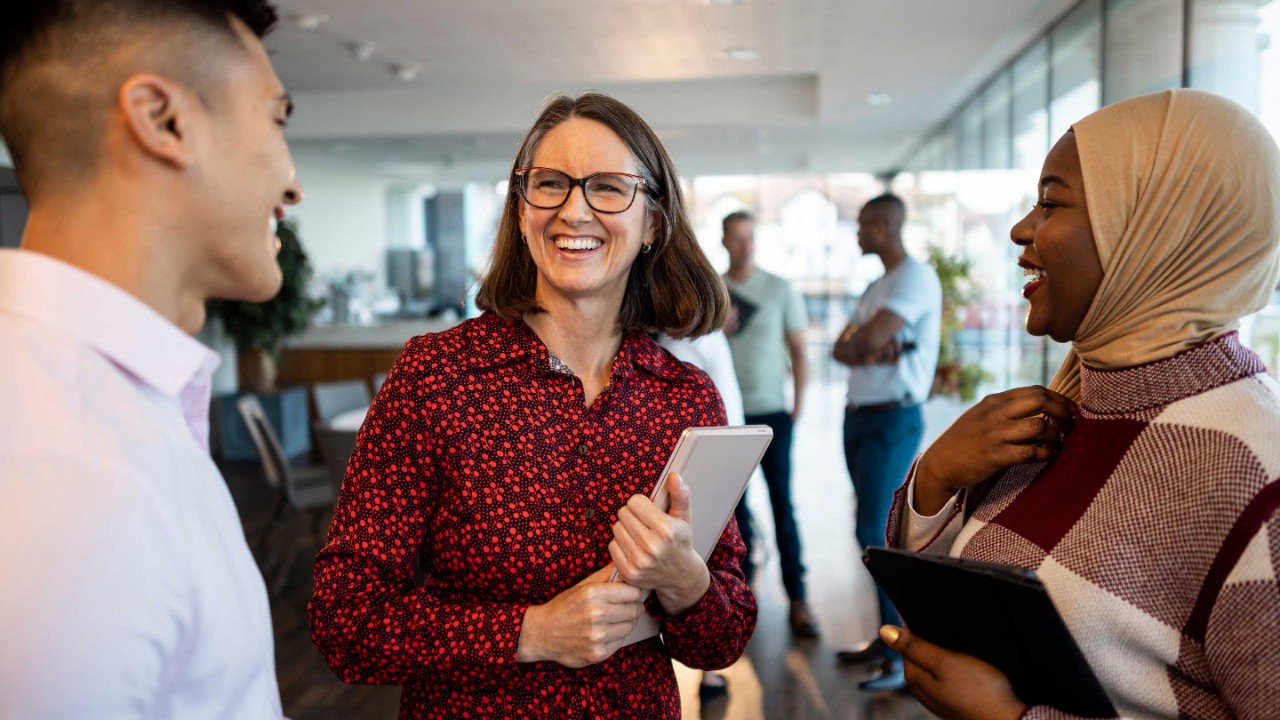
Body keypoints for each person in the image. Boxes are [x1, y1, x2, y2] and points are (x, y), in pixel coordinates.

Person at [309, 92, 756, 720]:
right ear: (522, 211)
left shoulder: (684, 396)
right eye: (549, 184)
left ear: (653, 223)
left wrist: (685, 579)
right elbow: (346, 620)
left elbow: (723, 639)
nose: (574, 210)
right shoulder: (436, 376)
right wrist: (533, 631)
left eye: (608, 187)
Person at [878, 89, 1280, 718]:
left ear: (1155, 229)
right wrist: (936, 477)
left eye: (1051, 202)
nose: (1019, 229)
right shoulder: (1068, 406)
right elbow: (958, 599)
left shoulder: (1253, 471)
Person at [0, 1, 301, 717]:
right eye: (275, 119)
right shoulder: (73, 469)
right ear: (164, 121)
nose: (292, 183)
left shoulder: (105, 410)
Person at [831, 193, 941, 690]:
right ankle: (887, 637)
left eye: (861, 225)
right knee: (871, 529)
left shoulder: (915, 277)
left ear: (883, 225)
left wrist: (864, 344)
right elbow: (843, 348)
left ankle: (903, 656)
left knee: (876, 530)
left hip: (892, 418)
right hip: (858, 417)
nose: (857, 233)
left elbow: (866, 343)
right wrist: (861, 345)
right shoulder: (877, 285)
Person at [721, 210, 819, 637]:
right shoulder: (713, 291)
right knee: (733, 514)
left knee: (783, 505)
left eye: (750, 238)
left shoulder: (779, 289)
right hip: (726, 419)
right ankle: (741, 600)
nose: (745, 246)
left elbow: (798, 349)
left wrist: (797, 404)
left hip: (772, 413)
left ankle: (798, 599)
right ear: (724, 242)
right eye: (737, 239)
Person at [654, 328, 745, 706]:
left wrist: (728, 473)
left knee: (705, 555)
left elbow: (728, 411)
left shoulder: (700, 345)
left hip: (709, 462)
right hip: (675, 463)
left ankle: (710, 675)